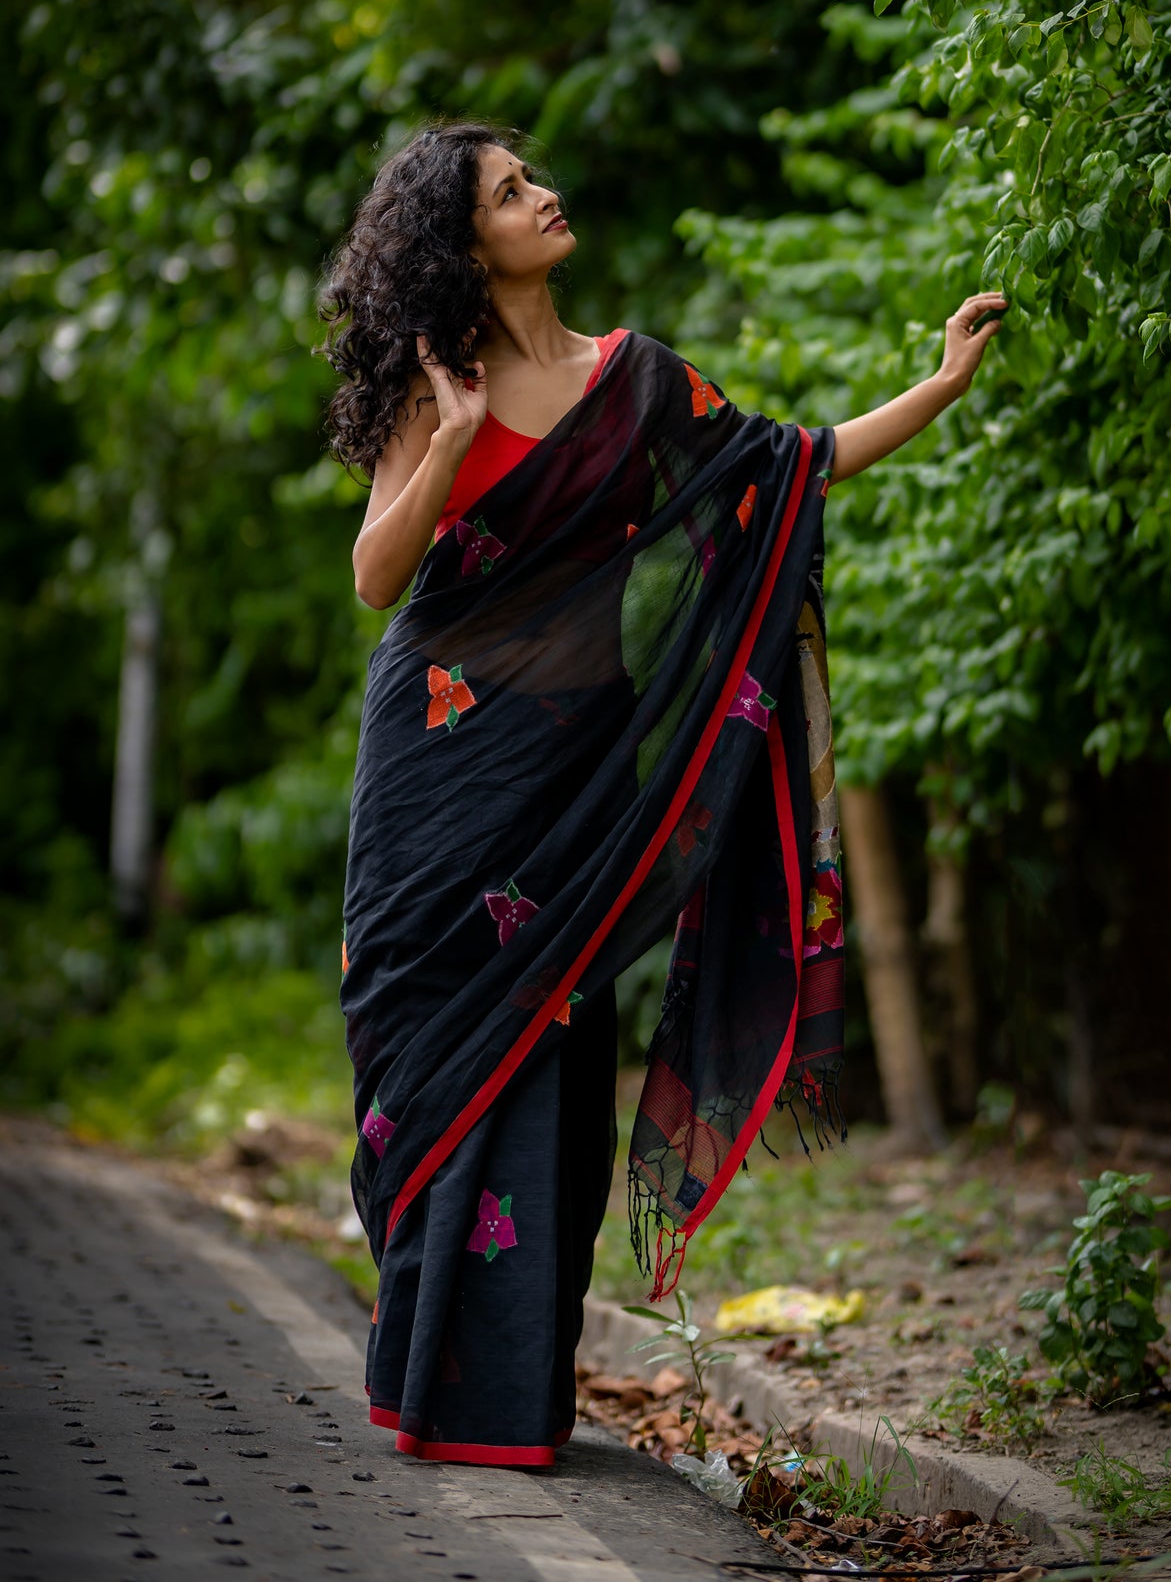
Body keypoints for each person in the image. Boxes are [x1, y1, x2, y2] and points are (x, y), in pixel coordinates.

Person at [321, 118, 1004, 1467]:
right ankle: (423, 1378)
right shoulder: (437, 384)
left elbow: (791, 466)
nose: (543, 196)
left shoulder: (636, 381)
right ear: (462, 243)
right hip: (434, 768)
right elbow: (374, 577)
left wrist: (939, 385)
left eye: (532, 179)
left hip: (571, 769)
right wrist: (452, 440)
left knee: (555, 1052)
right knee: (419, 1043)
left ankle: (508, 1402)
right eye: (510, 192)